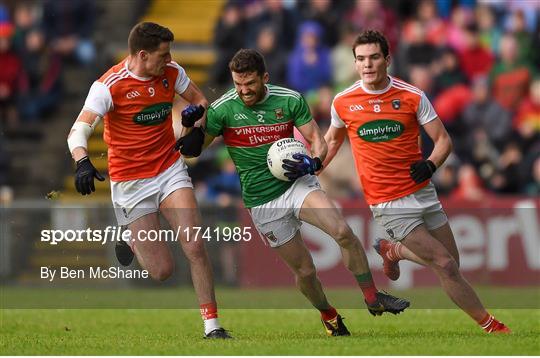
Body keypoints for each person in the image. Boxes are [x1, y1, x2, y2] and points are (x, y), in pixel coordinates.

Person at [176, 48, 410, 337]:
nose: (244, 91)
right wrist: (188, 127)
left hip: (297, 184)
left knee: (342, 232)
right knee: (305, 272)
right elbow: (192, 152)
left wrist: (314, 162)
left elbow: (317, 140)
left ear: (265, 77)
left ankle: (373, 297)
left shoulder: (289, 100)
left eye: (250, 84)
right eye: (238, 84)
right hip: (262, 200)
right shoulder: (224, 109)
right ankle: (328, 314)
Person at [324, 30, 510, 334]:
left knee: (454, 263)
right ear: (355, 63)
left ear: (387, 59)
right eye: (360, 59)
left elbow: (442, 140)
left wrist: (431, 164)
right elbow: (331, 143)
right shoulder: (343, 102)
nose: (367, 65)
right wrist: (313, 168)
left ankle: (393, 251)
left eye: (373, 58)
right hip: (386, 200)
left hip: (423, 190)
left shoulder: (411, 95)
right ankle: (492, 326)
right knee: (445, 264)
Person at [66, 22, 230, 339]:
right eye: (163, 55)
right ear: (143, 55)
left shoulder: (171, 72)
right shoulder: (108, 85)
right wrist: (82, 160)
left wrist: (195, 129)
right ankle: (129, 235)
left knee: (194, 244)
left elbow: (200, 102)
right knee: (162, 271)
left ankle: (213, 326)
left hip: (169, 169)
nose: (169, 61)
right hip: (130, 183)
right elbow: (79, 129)